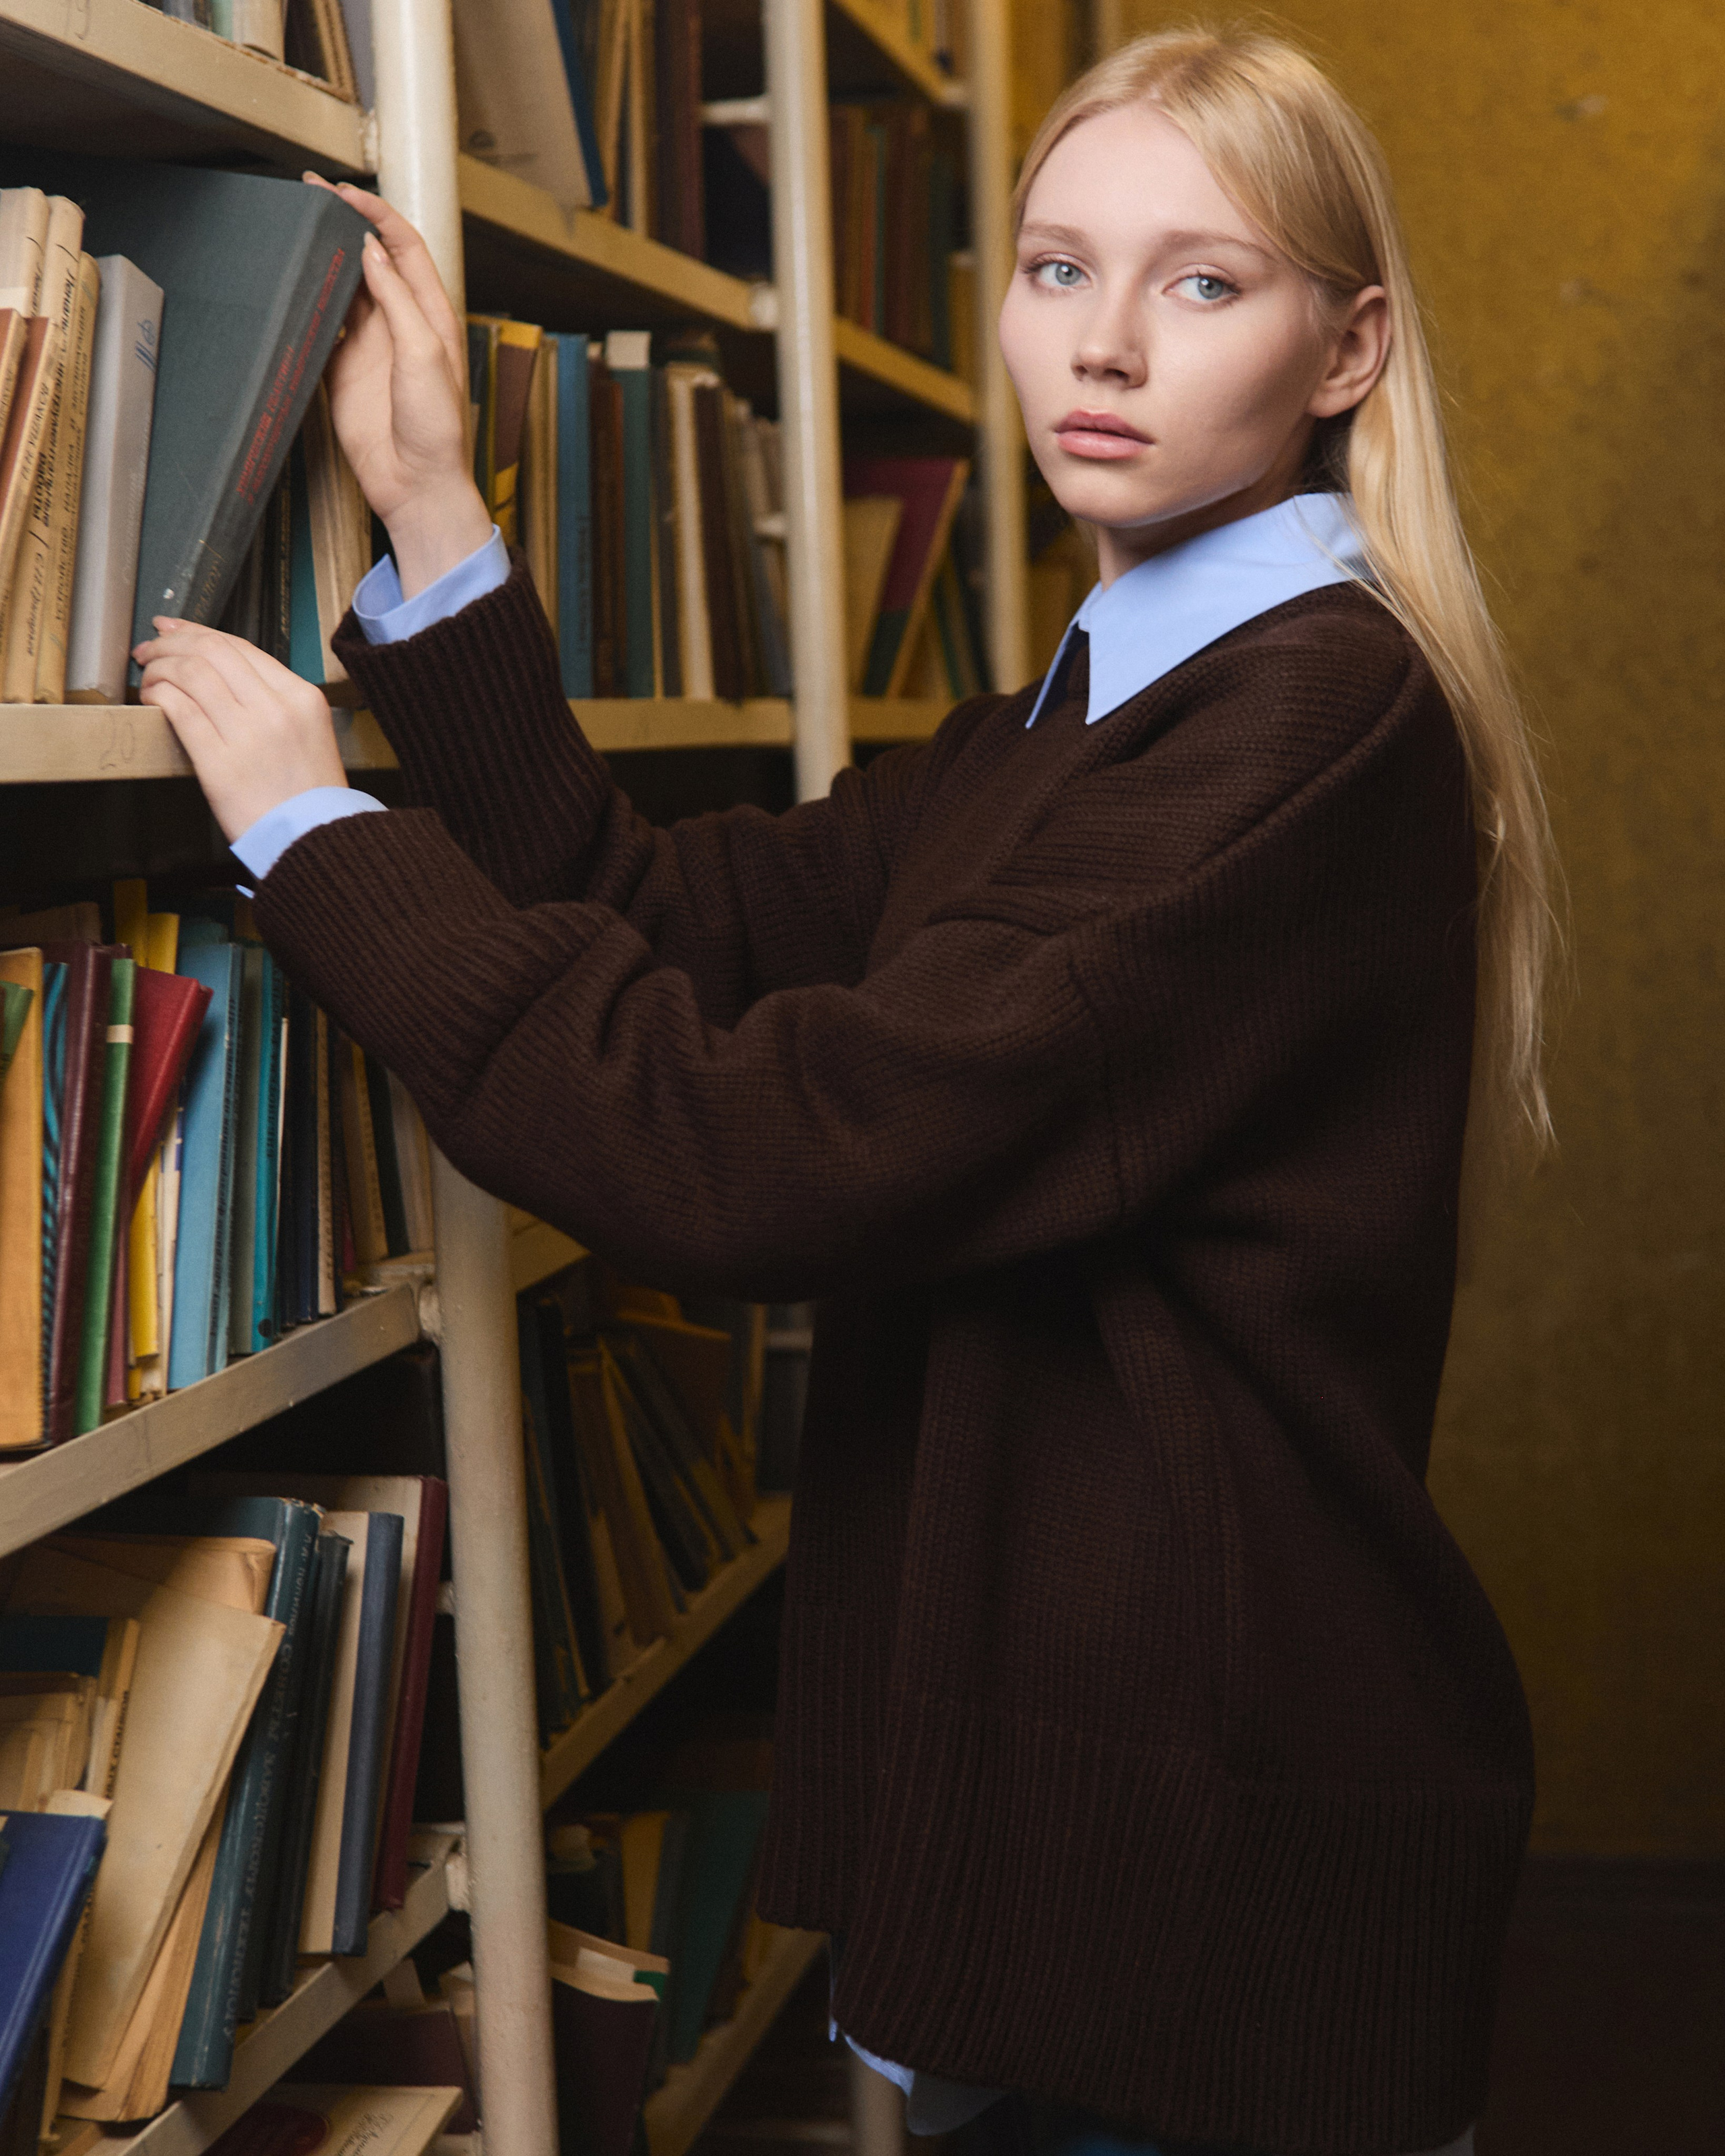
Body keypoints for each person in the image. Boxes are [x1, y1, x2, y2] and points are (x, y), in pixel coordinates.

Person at [137, 26, 1552, 2156]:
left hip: (1201, 1833)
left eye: (1202, 282)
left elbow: (758, 1145)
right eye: (1059, 268)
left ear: (1347, 351)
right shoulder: (1067, 718)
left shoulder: (1297, 736)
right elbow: (669, 921)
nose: (1105, 345)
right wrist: (434, 512)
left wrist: (324, 845)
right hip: (1093, 1800)